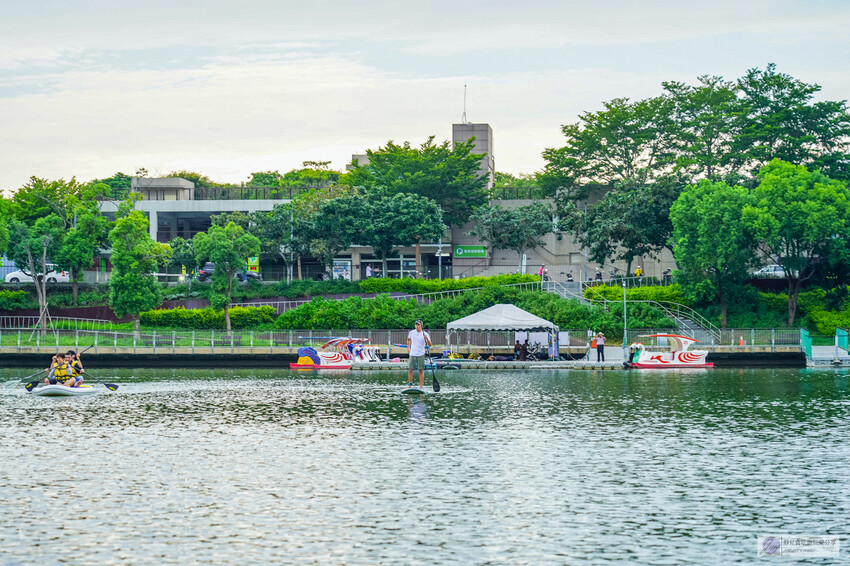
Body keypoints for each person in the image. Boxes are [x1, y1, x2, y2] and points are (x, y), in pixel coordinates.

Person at [406, 319, 432, 389]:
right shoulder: (411, 332)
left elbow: (430, 345)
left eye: (418, 325)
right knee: (410, 369)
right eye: (416, 325)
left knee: (421, 370)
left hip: (421, 354)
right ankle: (409, 385)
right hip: (412, 353)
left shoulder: (425, 334)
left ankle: (421, 386)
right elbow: (408, 340)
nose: (417, 326)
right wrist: (408, 348)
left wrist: (426, 338)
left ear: (421, 326)